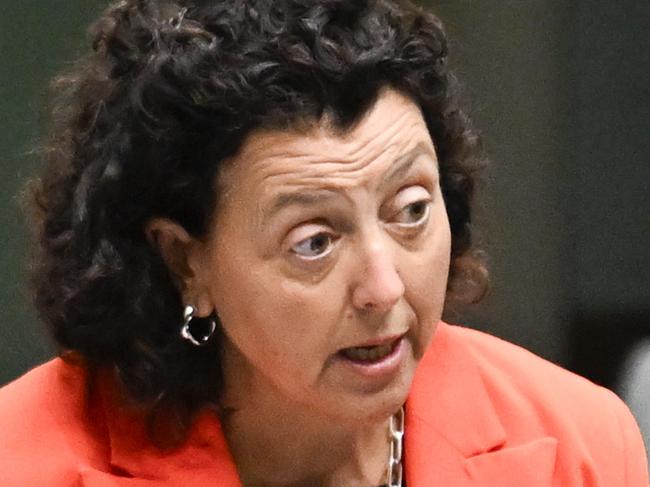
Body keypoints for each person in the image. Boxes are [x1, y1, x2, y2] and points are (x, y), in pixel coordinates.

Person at [0, 0, 647, 485]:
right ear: (183, 259)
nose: (384, 286)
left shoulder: (581, 441)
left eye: (413, 210)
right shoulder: (22, 460)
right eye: (313, 242)